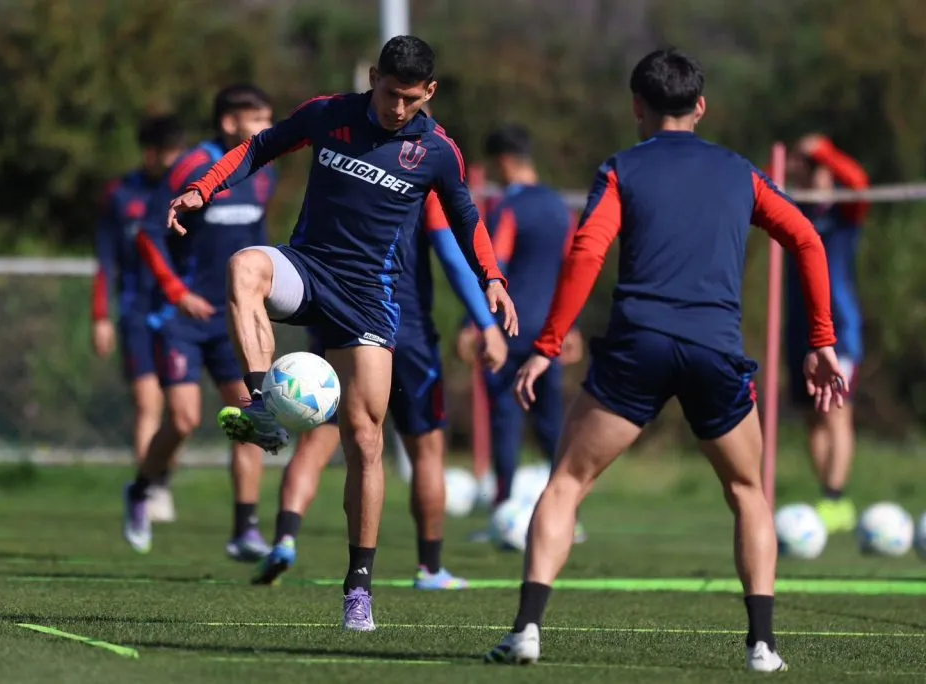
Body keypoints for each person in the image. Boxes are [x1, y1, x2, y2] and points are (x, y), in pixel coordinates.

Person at [483, 48, 846, 672]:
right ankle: (762, 646)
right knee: (748, 492)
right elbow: (808, 238)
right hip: (714, 349)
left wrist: (547, 346)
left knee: (567, 483)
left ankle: (527, 631)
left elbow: (586, 252)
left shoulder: (621, 169)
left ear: (637, 106)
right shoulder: (740, 173)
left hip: (638, 347)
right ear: (700, 106)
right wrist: (822, 341)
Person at [163, 35, 516, 631]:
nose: (397, 108)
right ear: (373, 77)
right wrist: (204, 186)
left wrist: (493, 278)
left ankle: (358, 588)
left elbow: (465, 217)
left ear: (429, 92)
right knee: (244, 266)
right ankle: (262, 405)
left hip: (369, 300)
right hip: (308, 269)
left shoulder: (437, 152)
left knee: (364, 438)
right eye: (389, 93)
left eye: (410, 99)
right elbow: (258, 147)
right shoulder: (329, 114)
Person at [252, 188, 508, 590]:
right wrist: (485, 323)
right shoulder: (422, 182)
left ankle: (285, 539)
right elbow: (453, 257)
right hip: (407, 334)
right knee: (426, 450)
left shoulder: (347, 177)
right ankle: (430, 569)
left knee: (316, 440)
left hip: (341, 325)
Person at [122, 84, 279, 561]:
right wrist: (178, 293)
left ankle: (245, 530)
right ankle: (141, 489)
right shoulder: (194, 166)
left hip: (232, 319)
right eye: (259, 120)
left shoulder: (263, 172)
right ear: (230, 122)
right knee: (184, 419)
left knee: (251, 415)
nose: (268, 128)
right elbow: (149, 233)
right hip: (183, 319)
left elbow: (258, 240)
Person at [457, 125, 584, 545]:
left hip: (509, 332)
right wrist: (571, 326)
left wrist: (472, 324)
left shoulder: (508, 208)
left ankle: (502, 513)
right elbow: (572, 271)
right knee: (551, 425)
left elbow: (494, 267)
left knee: (506, 421)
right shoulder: (560, 209)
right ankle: (570, 517)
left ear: (504, 162)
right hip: (549, 335)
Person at [92, 114, 186, 523]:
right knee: (148, 404)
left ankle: (161, 478)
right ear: (150, 153)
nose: (175, 160)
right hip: (136, 312)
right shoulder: (120, 195)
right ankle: (150, 489)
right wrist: (101, 316)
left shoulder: (189, 193)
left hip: (178, 314)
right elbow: (105, 260)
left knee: (180, 411)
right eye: (168, 152)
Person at [784, 135, 868, 534]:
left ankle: (834, 498)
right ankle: (831, 498)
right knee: (813, 418)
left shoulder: (845, 213)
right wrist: (791, 164)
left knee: (837, 413)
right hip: (799, 329)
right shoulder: (794, 210)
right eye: (811, 169)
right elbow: (761, 186)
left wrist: (822, 152)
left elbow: (858, 180)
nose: (817, 175)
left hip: (840, 331)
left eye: (822, 170)